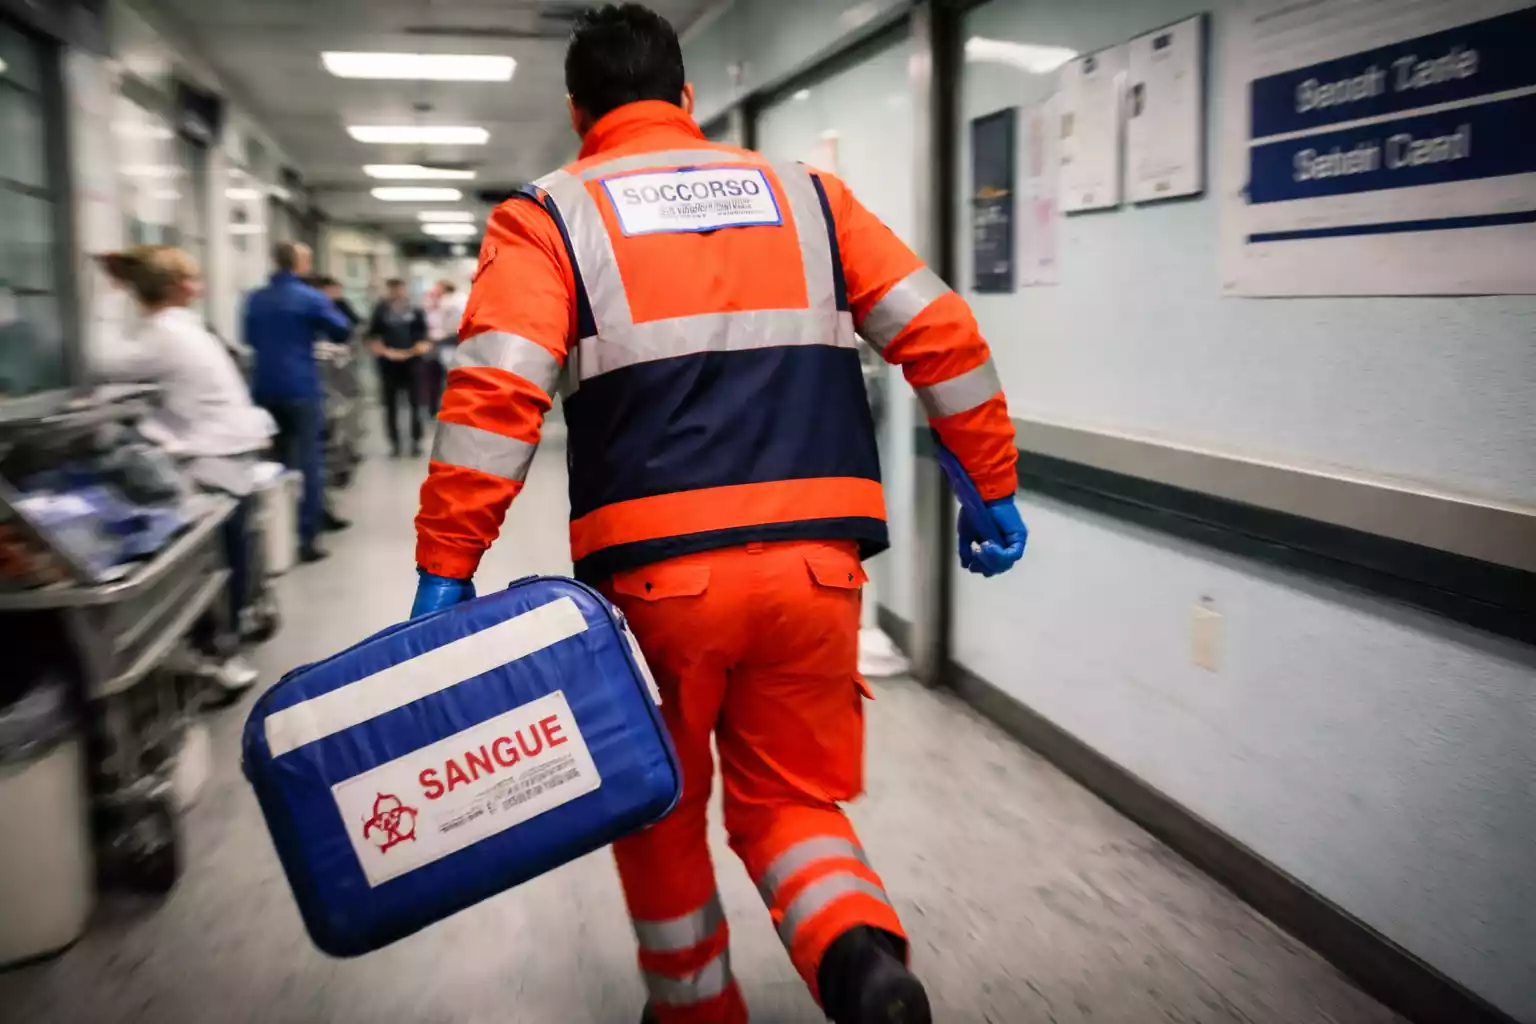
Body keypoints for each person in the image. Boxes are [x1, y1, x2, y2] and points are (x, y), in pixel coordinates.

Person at [409, 6, 1026, 1023]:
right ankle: (859, 960)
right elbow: (943, 332)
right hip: (818, 571)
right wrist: (989, 482)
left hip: (658, 585)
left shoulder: (551, 214)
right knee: (791, 798)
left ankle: (698, 1008)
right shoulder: (809, 197)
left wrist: (447, 563)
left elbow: (496, 393)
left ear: (578, 112)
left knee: (658, 800)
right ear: (687, 99)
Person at [91, 245, 275, 696]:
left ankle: (221, 653)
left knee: (211, 565)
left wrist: (109, 296)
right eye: (192, 278)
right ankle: (231, 637)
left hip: (213, 456)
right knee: (232, 554)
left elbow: (102, 362)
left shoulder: (165, 334)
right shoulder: (183, 330)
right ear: (175, 288)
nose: (200, 285)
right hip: (231, 450)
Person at [243, 242, 354, 563]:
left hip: (263, 389)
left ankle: (275, 537)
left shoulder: (255, 298)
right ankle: (307, 538)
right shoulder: (309, 297)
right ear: (299, 263)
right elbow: (341, 330)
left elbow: (250, 338)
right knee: (308, 461)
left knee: (273, 465)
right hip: (300, 388)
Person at [366, 278, 431, 457]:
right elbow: (373, 335)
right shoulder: (381, 310)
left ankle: (416, 441)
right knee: (391, 405)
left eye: (401, 289)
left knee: (416, 403)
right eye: (394, 289)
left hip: (413, 361)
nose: (398, 292)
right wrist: (383, 351)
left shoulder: (415, 310)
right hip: (389, 363)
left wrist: (416, 349)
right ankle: (395, 443)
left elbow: (424, 335)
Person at [422, 279, 466, 415]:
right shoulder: (433, 304)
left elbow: (452, 326)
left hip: (448, 343)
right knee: (436, 379)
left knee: (448, 378)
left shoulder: (452, 302)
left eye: (438, 289)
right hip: (437, 345)